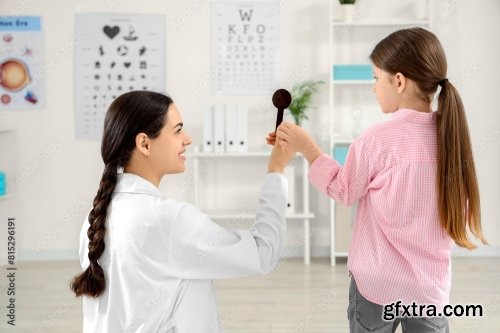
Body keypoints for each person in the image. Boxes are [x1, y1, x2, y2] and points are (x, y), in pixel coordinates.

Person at [267, 27, 486, 333]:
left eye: (375, 78)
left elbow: (343, 191)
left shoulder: (375, 140)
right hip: (429, 288)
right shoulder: (452, 138)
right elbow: (456, 213)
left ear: (398, 81)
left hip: (375, 285)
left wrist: (308, 148)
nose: (373, 87)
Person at [70, 90, 294, 332]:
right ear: (144, 143)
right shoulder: (169, 220)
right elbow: (263, 253)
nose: (187, 139)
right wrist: (277, 170)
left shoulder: (94, 220)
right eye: (177, 130)